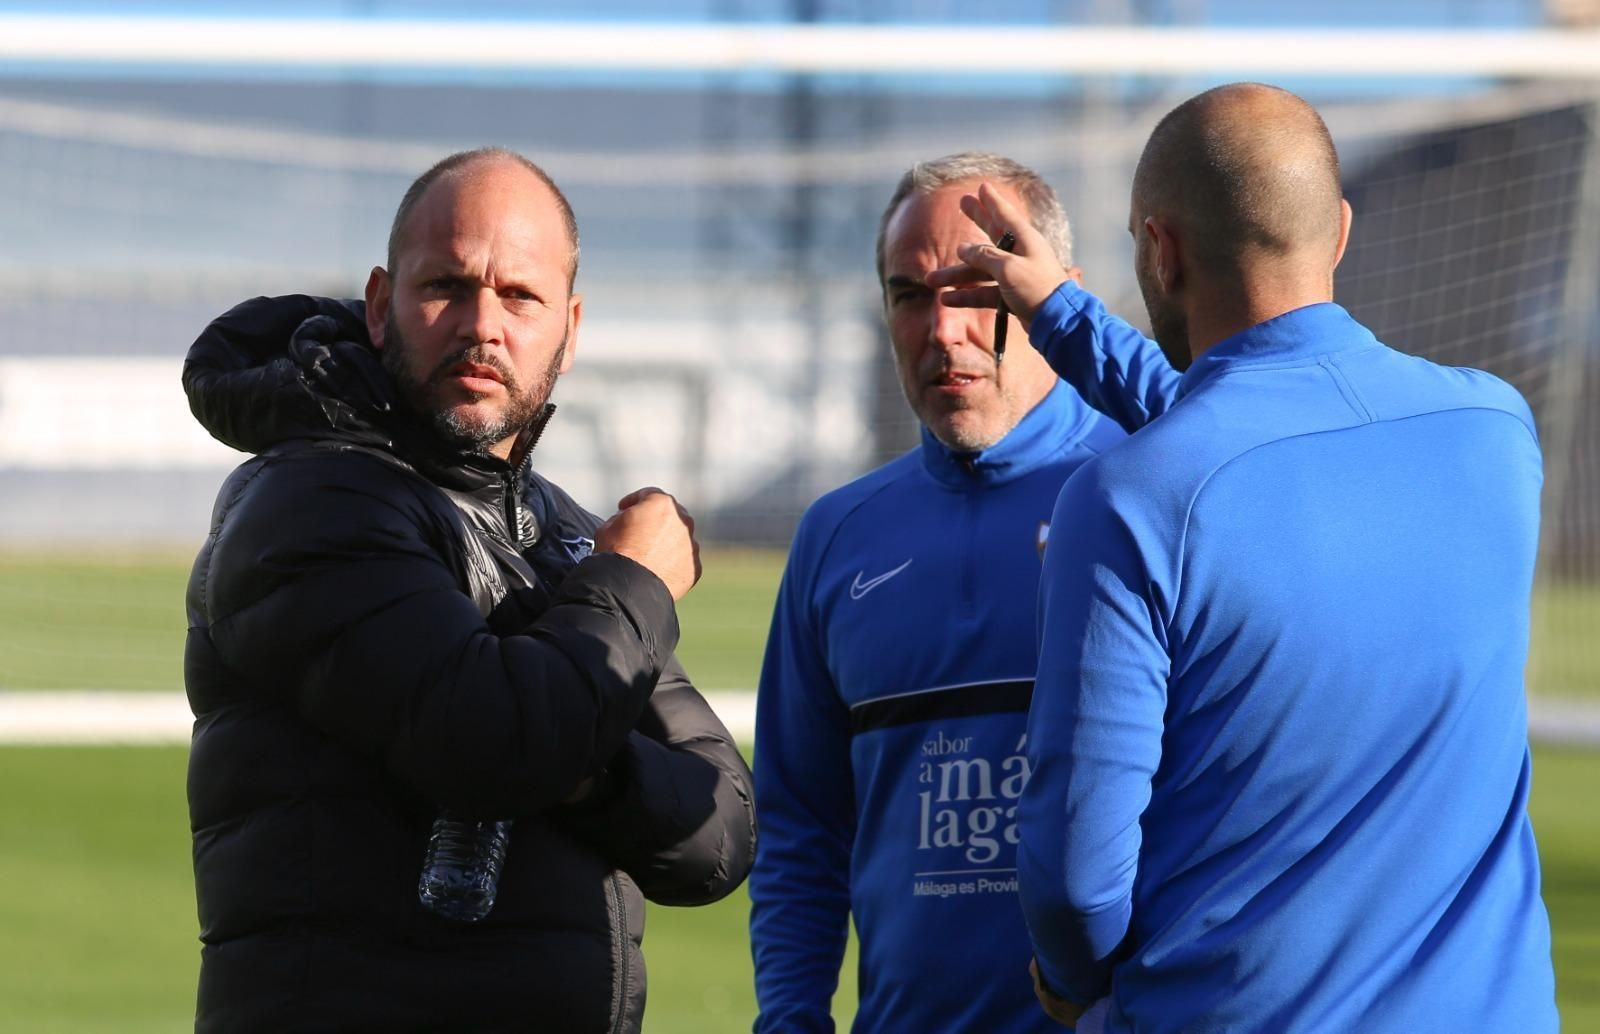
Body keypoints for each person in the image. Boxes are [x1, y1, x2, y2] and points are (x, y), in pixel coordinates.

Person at [930, 83, 1559, 1030]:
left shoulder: (1127, 500)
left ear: (1160, 249)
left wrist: (1068, 979)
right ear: (1338, 232)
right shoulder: (1494, 428)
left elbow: (1078, 874)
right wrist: (1060, 311)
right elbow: (1243, 428)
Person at [181, 148, 756, 1034]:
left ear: (570, 326)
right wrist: (635, 582)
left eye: (519, 296)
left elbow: (718, 833)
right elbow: (496, 744)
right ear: (381, 306)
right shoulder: (312, 499)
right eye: (447, 285)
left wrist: (578, 762)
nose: (483, 323)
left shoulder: (560, 533)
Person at [748, 153, 1127, 1033]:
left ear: (1054, 295)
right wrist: (791, 1016)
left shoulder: (1148, 487)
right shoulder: (838, 535)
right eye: (910, 295)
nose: (942, 328)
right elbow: (801, 829)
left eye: (976, 289)